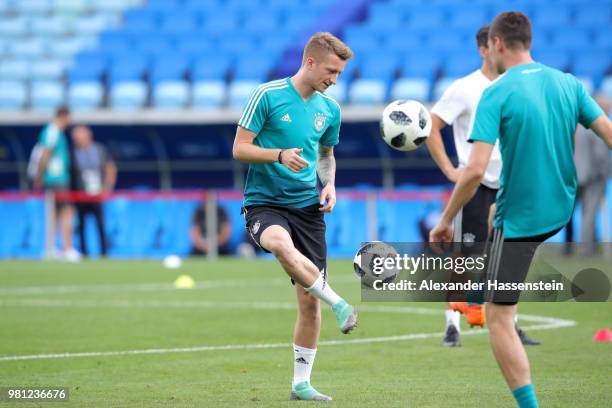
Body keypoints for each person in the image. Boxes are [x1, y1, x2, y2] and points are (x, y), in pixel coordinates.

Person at [430, 12, 612, 408]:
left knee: (499, 318)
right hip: (560, 207)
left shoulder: (497, 91)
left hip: (522, 219)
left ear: (495, 44)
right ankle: (476, 288)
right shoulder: (568, 82)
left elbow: (475, 169)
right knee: (494, 223)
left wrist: (445, 221)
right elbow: (608, 132)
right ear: (528, 41)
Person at [232, 32, 357, 401]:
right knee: (278, 244)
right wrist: (279, 154)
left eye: (339, 74)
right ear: (310, 62)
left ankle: (300, 384)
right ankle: (341, 302)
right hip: (265, 203)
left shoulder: (330, 109)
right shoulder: (267, 95)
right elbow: (240, 148)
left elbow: (326, 154)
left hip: (308, 208)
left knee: (307, 302)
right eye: (331, 71)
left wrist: (329, 184)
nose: (334, 80)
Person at [427, 25, 539, 348]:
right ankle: (452, 325)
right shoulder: (464, 88)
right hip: (474, 185)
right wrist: (450, 169)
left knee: (510, 256)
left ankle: (511, 323)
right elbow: (432, 126)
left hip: (509, 184)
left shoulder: (514, 85)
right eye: (497, 46)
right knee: (465, 257)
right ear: (484, 49)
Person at [34, 107, 80, 262]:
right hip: (56, 179)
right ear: (63, 116)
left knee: (54, 214)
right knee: (67, 211)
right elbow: (45, 154)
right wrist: (39, 176)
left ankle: (52, 248)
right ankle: (66, 248)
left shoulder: (54, 132)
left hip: (55, 179)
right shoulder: (53, 131)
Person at [71, 125, 117, 257]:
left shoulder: (100, 149)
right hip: (80, 195)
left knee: (100, 225)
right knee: (81, 226)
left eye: (79, 135)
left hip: (97, 194)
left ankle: (104, 253)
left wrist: (107, 188)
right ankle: (84, 253)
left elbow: (110, 168)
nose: (76, 138)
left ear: (88, 135)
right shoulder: (73, 152)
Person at [575, 95, 611, 256]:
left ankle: (585, 247)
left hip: (577, 175)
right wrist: (608, 173)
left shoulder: (580, 125)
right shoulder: (599, 126)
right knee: (590, 213)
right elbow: (600, 155)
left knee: (584, 213)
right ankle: (586, 249)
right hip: (593, 176)